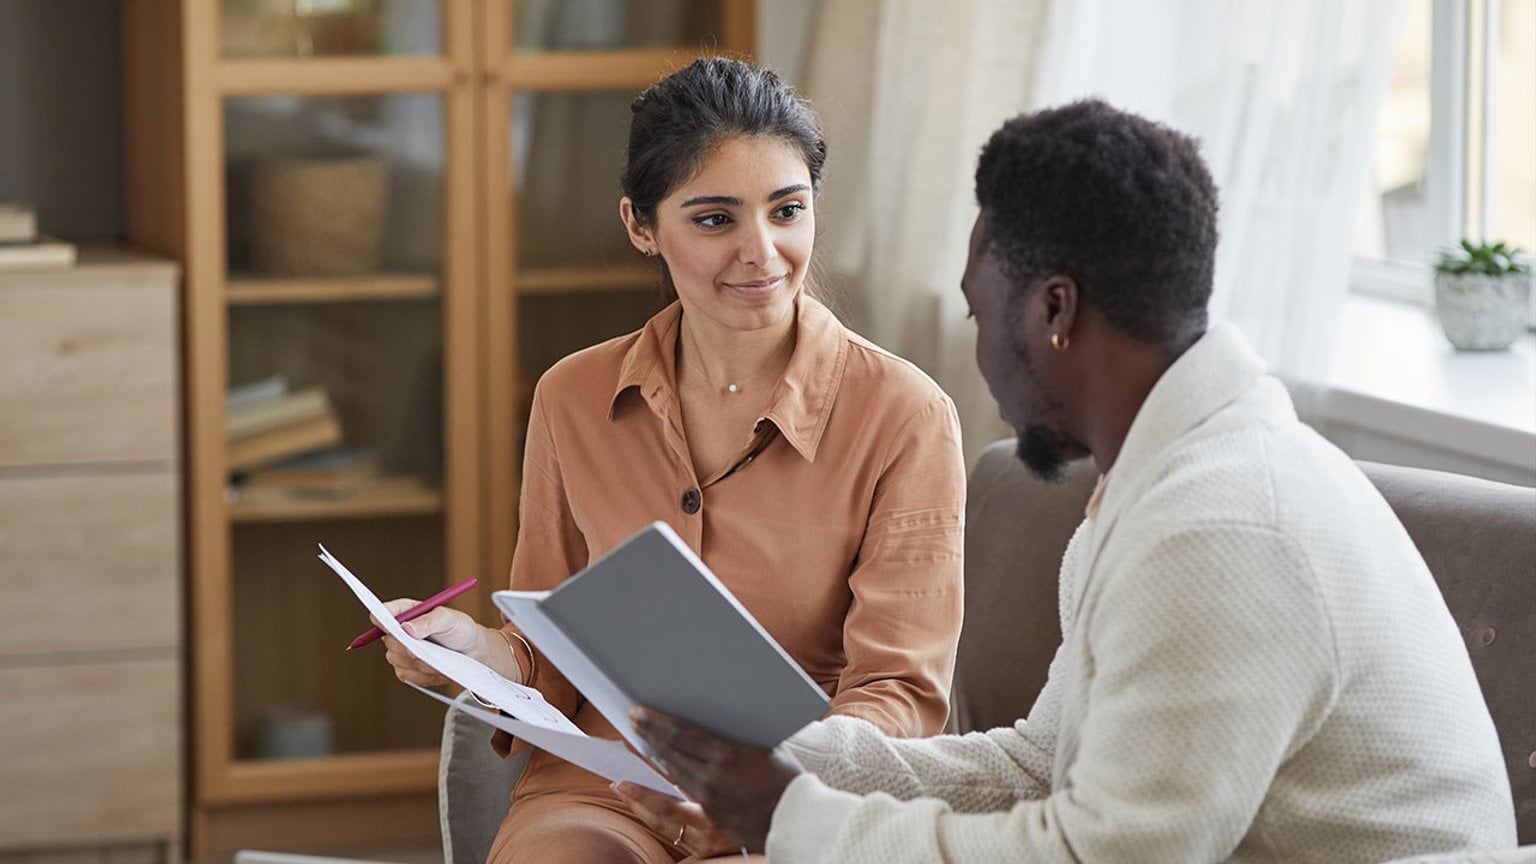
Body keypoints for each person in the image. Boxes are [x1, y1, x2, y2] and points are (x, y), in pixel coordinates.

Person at [617, 99, 1519, 862]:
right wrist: (780, 757)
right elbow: (1036, 766)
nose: (977, 357)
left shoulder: (1223, 528)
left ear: (1054, 311)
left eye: (979, 313)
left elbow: (1095, 855)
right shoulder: (1166, 480)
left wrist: (787, 817)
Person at [373, 57, 967, 863]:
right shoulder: (571, 397)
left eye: (787, 211)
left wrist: (772, 786)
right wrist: (467, 652)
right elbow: (547, 646)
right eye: (715, 219)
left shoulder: (906, 415)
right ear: (640, 225)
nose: (763, 252)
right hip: (603, 785)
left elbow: (901, 694)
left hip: (795, 796)